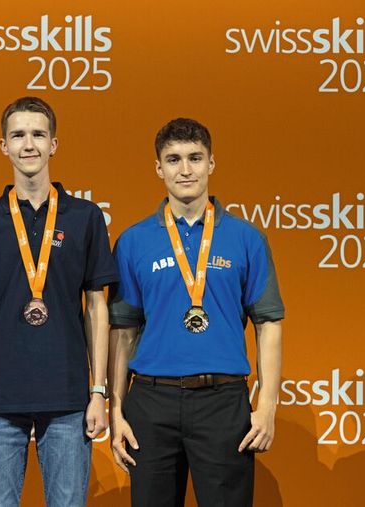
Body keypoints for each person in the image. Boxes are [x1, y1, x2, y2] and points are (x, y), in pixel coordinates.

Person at [108, 117, 284, 506]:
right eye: (173, 159)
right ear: (158, 168)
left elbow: (268, 324)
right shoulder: (133, 241)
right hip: (151, 401)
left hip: (222, 401)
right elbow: (122, 332)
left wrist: (267, 405)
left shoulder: (247, 238)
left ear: (211, 164)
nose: (185, 170)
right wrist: (116, 410)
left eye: (194, 158)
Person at [0, 97, 118, 506]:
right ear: (3, 146)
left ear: (54, 144)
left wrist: (98, 391)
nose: (28, 144)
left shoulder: (86, 217)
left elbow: (97, 307)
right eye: (18, 135)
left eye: (37, 134)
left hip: (67, 395)